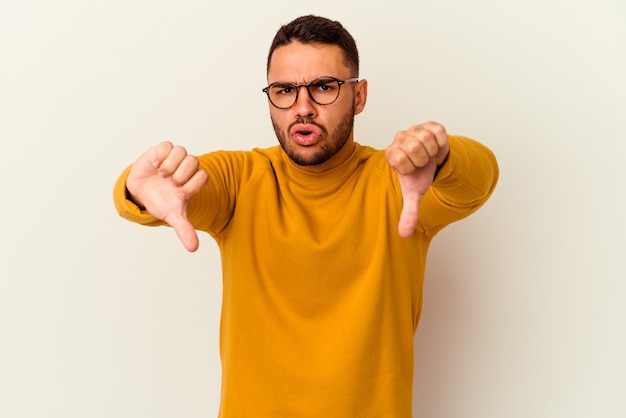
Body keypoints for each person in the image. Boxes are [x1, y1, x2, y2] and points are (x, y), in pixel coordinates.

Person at [113, 14, 498, 418]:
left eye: (324, 87)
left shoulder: (398, 182)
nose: (303, 108)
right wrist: (134, 188)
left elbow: (480, 177)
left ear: (359, 95)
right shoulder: (239, 180)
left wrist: (442, 156)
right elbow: (169, 189)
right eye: (284, 90)